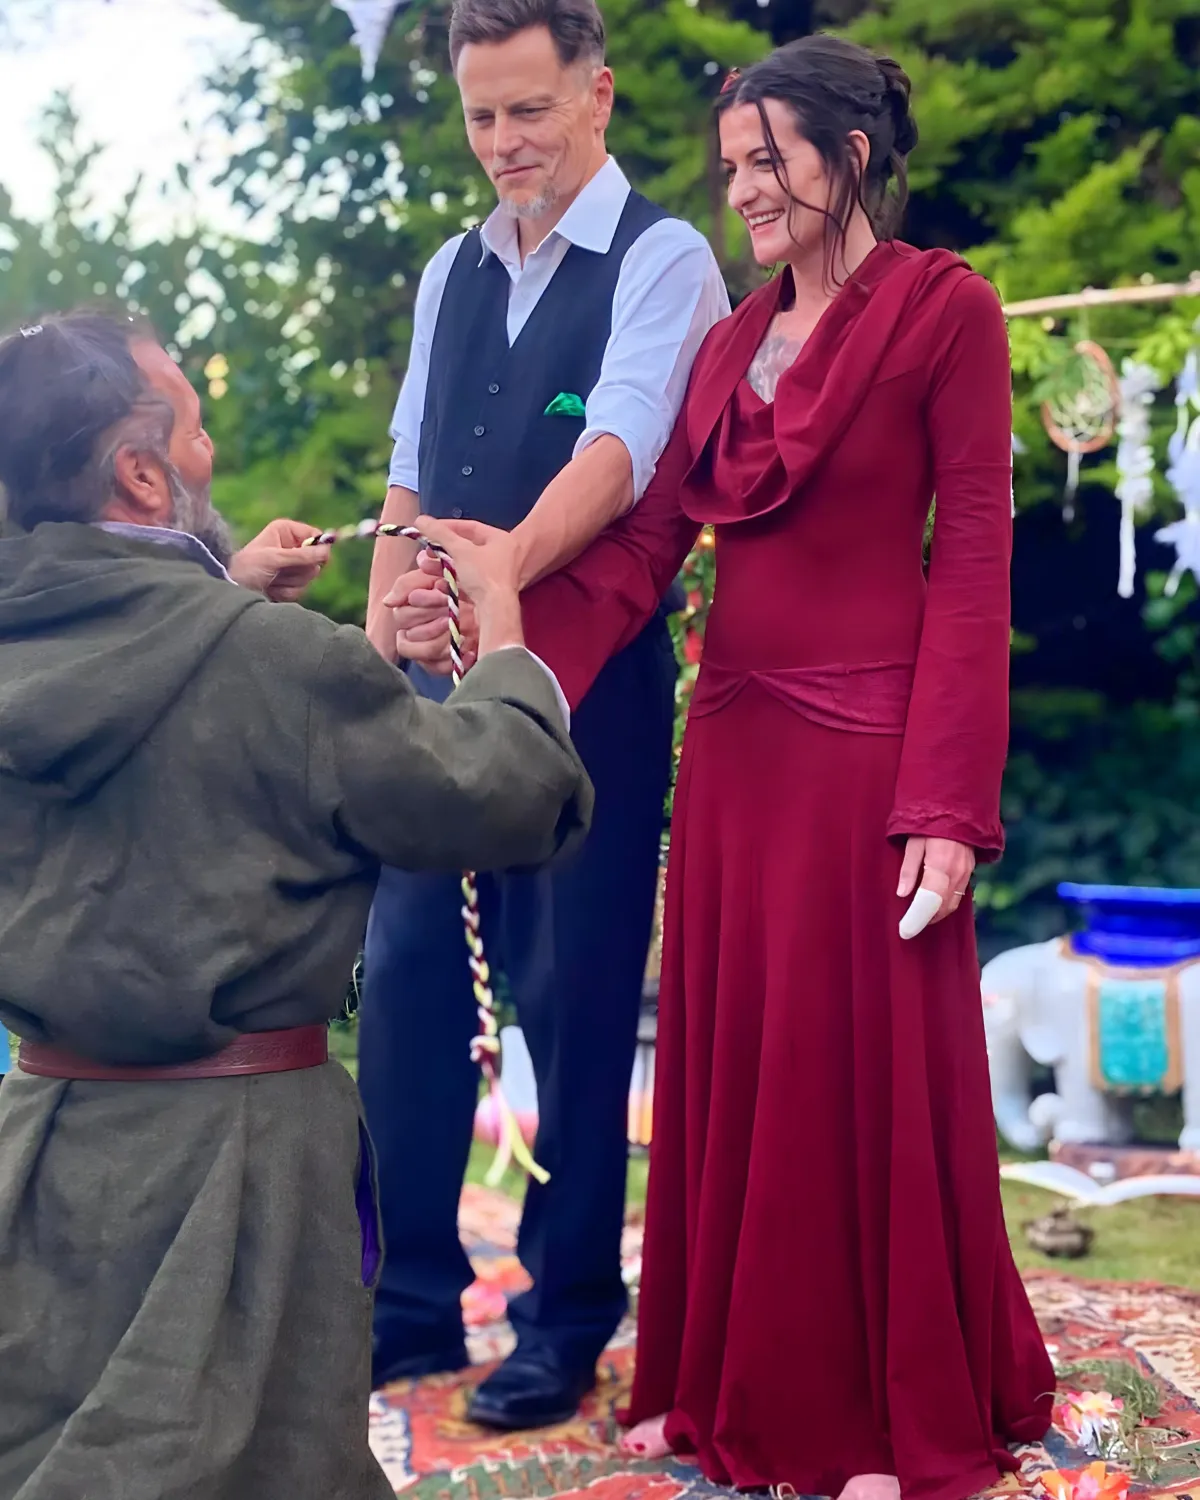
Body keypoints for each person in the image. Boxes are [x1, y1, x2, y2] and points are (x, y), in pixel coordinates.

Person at [411, 34, 1055, 1500]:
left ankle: (872, 1414)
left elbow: (972, 564)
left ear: (856, 153)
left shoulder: (946, 311)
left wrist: (950, 800)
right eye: (734, 163)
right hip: (738, 752)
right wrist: (503, 636)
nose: (745, 187)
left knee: (854, 1069)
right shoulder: (726, 343)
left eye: (773, 160)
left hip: (875, 752)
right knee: (737, 1065)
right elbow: (648, 552)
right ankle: (717, 1382)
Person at [0, 310, 591, 1500]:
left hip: (43, 1147)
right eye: (197, 424)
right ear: (139, 471)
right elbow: (511, 800)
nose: (210, 448)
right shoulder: (267, 662)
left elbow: (189, 776)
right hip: (242, 1171)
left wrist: (298, 634)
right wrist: (510, 632)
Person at [361, 0, 728, 1427]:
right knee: (402, 981)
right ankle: (408, 1305)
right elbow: (406, 463)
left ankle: (568, 1311)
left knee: (572, 999)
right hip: (434, 686)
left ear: (598, 95)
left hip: (590, 682)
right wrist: (388, 605)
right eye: (481, 115)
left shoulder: (667, 258)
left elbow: (625, 442)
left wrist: (507, 560)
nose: (503, 143)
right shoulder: (451, 267)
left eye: (528, 110)